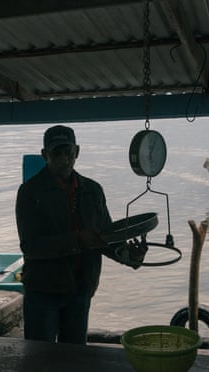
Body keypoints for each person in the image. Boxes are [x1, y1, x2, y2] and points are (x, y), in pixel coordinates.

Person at [15, 125, 148, 345]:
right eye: (57, 153)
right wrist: (78, 239)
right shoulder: (30, 192)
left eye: (68, 152)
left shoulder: (93, 190)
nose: (64, 159)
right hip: (43, 290)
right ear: (44, 155)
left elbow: (104, 238)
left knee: (76, 357)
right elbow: (31, 247)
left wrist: (131, 256)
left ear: (77, 151)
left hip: (81, 288)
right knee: (39, 359)